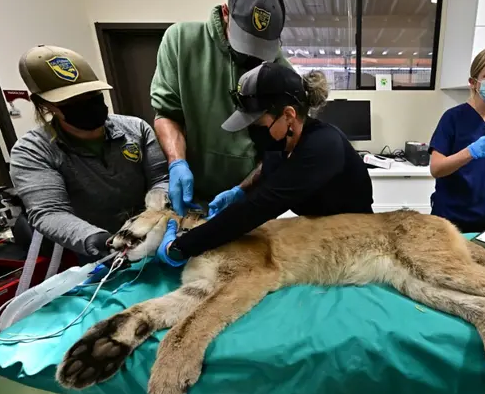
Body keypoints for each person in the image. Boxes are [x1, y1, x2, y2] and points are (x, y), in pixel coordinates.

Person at [154, 62, 373, 265]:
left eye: (257, 123)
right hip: (319, 232)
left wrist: (182, 247)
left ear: (288, 115)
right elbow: (266, 174)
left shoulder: (323, 147)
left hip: (356, 240)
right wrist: (239, 191)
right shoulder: (281, 143)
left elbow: (258, 208)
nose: (252, 132)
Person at [9, 45, 168, 260]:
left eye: (91, 95)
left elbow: (160, 178)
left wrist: (152, 215)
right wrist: (93, 237)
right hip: (97, 245)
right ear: (45, 105)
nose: (85, 104)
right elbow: (50, 212)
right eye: (70, 102)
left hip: (153, 232)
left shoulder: (136, 129)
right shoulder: (33, 151)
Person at [150, 0, 291, 217]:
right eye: (246, 41)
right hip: (195, 190)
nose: (251, 54)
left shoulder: (277, 64)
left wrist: (247, 188)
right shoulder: (181, 41)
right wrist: (177, 162)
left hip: (250, 190)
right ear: (225, 12)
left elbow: (281, 141)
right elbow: (166, 113)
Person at [428, 46, 485, 233]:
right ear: (473, 82)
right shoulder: (454, 118)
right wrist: (469, 152)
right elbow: (436, 169)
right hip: (451, 218)